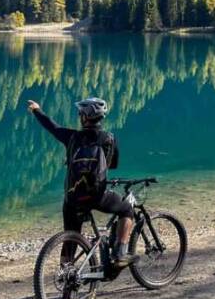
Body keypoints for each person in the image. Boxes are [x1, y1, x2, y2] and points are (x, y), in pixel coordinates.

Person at [27, 97, 138, 268]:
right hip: (96, 196)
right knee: (127, 209)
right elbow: (113, 165)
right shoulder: (109, 138)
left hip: (72, 197)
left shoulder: (72, 137)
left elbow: (52, 126)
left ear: (85, 117)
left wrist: (37, 110)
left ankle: (66, 278)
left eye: (80, 113)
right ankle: (119, 254)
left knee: (70, 236)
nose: (79, 116)